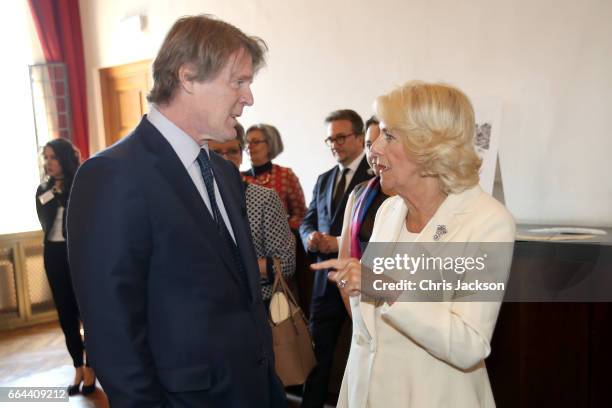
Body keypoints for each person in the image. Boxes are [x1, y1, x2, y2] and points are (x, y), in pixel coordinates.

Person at [67, 15, 286, 407]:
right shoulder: (112, 176)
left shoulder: (222, 172)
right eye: (238, 81)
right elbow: (114, 333)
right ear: (187, 77)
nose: (249, 98)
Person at [313, 81, 516, 407]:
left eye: (389, 136)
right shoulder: (389, 211)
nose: (373, 149)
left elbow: (470, 345)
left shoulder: (486, 221)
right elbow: (366, 339)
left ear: (431, 145)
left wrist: (387, 289)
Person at [298, 109, 372, 407]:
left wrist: (338, 243)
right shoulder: (324, 178)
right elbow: (307, 220)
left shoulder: (378, 176)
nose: (334, 144)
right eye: (330, 139)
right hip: (324, 284)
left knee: (364, 355)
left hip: (362, 281)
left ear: (359, 137)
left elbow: (379, 231)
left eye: (341, 137)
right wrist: (310, 238)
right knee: (316, 359)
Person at [209, 123, 295, 304]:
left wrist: (230, 269)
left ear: (241, 155)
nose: (225, 159)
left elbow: (285, 263)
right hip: (212, 306)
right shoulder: (194, 200)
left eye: (232, 151)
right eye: (216, 153)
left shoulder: (264, 198)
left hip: (259, 303)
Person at [35, 138, 96, 396]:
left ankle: (92, 366)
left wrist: (64, 195)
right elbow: (44, 221)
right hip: (54, 253)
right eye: (45, 158)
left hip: (79, 253)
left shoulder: (81, 183)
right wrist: (54, 194)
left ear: (64, 158)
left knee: (87, 312)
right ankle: (77, 367)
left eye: (53, 157)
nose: (48, 163)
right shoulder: (42, 190)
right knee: (65, 313)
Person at [337, 116, 393, 315]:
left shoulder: (413, 197)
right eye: (369, 144)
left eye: (384, 141)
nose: (374, 151)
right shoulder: (359, 194)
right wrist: (359, 320)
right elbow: (344, 264)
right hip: (360, 309)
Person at [243, 123, 306, 230]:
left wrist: (280, 226)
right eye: (247, 142)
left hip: (282, 240)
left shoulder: (285, 174)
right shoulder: (240, 177)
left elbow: (301, 214)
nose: (249, 146)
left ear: (270, 144)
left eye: (256, 142)